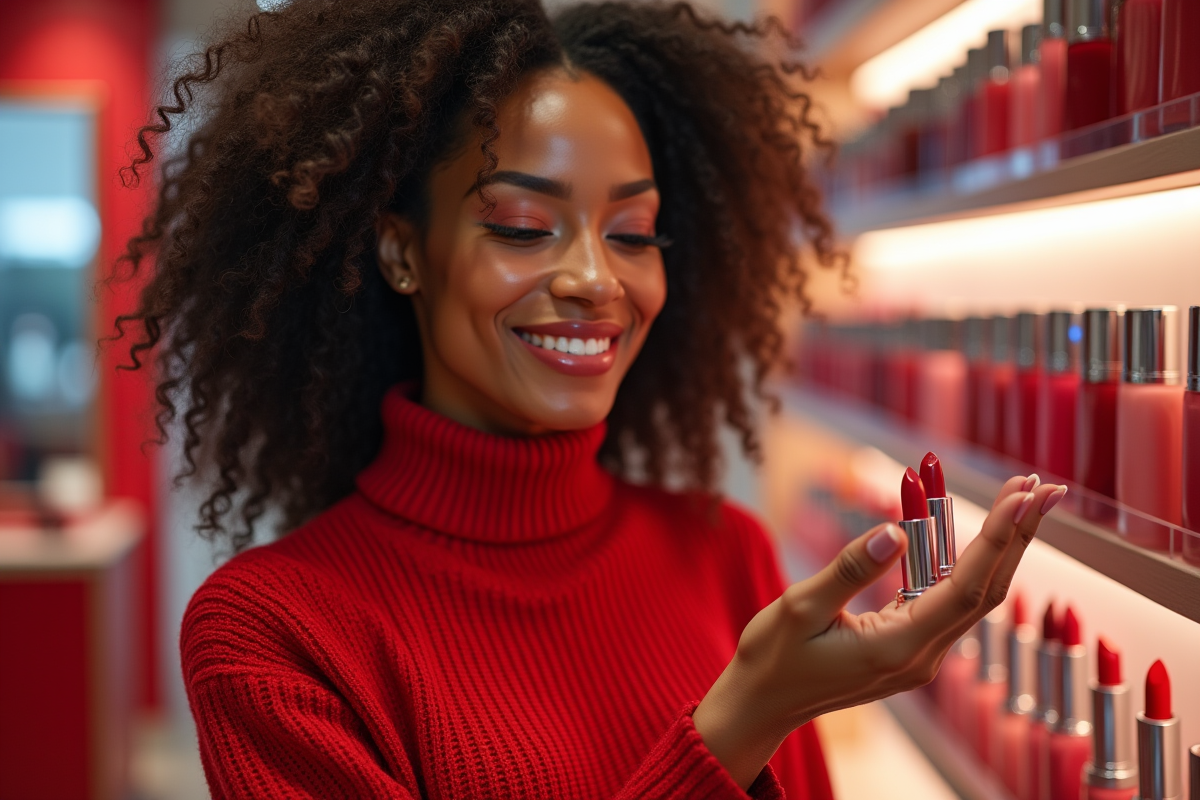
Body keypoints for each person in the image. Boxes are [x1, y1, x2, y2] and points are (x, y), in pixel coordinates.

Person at [113, 1, 1066, 797]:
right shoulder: (272, 635)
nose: (595, 280)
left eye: (634, 232)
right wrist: (742, 723)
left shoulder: (721, 553)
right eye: (524, 226)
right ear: (403, 250)